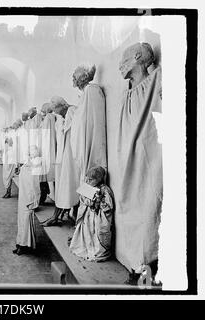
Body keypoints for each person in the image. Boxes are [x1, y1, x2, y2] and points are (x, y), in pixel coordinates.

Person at [116, 42, 162, 275]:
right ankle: (135, 261)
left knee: (147, 206)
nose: (119, 64)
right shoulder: (128, 92)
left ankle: (146, 265)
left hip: (149, 160)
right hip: (128, 160)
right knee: (130, 206)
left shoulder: (155, 82)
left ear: (137, 57)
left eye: (124, 58)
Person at [42, 96, 79, 227]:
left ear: (62, 105)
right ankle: (57, 216)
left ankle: (69, 216)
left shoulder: (74, 112)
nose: (56, 113)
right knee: (62, 189)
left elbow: (78, 134)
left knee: (72, 187)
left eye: (56, 110)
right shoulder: (59, 119)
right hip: (62, 159)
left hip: (72, 158)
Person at [70, 64, 107, 186]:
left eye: (74, 77)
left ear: (81, 79)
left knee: (89, 173)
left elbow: (95, 119)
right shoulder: (84, 94)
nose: (73, 80)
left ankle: (88, 201)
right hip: (82, 139)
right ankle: (84, 202)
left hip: (89, 139)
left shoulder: (92, 90)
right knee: (83, 172)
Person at [69, 166, 114, 262]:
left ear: (99, 179)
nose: (88, 181)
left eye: (91, 179)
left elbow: (108, 206)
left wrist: (100, 202)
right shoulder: (87, 187)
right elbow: (82, 198)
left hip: (97, 216)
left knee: (95, 232)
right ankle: (86, 246)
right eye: (87, 179)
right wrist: (88, 200)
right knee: (87, 231)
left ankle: (96, 250)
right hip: (87, 215)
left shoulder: (104, 190)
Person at [13, 145, 42, 255]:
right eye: (29, 152)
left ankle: (25, 245)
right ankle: (20, 242)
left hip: (29, 198)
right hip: (23, 197)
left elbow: (35, 186)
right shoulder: (27, 164)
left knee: (26, 221)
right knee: (21, 221)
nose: (30, 154)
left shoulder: (35, 165)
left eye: (32, 152)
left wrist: (34, 201)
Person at [40, 102, 57, 202]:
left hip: (47, 148)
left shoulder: (47, 118)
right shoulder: (54, 117)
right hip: (53, 146)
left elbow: (45, 134)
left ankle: (48, 194)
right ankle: (51, 195)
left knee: (46, 174)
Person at [2, 123, 19, 198]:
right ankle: (8, 191)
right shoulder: (10, 135)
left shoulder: (12, 135)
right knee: (7, 175)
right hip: (7, 158)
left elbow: (11, 144)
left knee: (8, 175)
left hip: (10, 158)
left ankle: (8, 192)